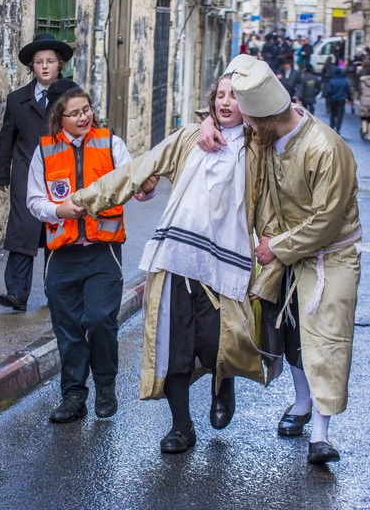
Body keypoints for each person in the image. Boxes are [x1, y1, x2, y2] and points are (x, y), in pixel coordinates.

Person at [59, 73, 285, 453]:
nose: (226, 103)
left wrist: (274, 240)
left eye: (235, 97)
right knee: (173, 345)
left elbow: (271, 196)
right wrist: (84, 200)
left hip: (225, 267)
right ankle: (182, 427)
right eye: (221, 96)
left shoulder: (259, 147)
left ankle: (222, 383)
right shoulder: (188, 138)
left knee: (220, 342)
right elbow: (139, 169)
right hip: (176, 259)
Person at [197, 54, 361, 465]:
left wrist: (277, 248)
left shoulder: (328, 148)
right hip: (285, 256)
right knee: (291, 341)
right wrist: (207, 122)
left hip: (330, 257)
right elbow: (228, 125)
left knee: (323, 341)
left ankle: (320, 437)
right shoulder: (269, 134)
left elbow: (327, 220)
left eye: (253, 122)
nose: (248, 128)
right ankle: (302, 405)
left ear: (268, 118)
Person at [26, 80, 157, 423]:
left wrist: (147, 189)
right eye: (75, 113)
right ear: (60, 118)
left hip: (103, 251)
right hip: (62, 254)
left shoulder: (111, 144)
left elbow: (135, 187)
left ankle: (105, 388)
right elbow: (34, 200)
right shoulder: (44, 152)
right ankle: (73, 395)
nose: (84, 117)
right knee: (67, 327)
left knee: (100, 320)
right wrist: (59, 211)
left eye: (86, 110)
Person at [0, 33, 73, 312]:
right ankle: (16, 292)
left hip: (60, 176)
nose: (45, 66)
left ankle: (56, 290)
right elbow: (7, 139)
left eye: (51, 61)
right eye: (39, 62)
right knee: (22, 231)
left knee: (57, 230)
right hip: (26, 175)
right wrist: (1, 175)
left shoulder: (69, 98)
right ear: (32, 67)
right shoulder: (17, 100)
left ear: (60, 64)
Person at [327, 66, 352, 134]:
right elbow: (348, 91)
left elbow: (329, 91)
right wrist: (349, 98)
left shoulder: (332, 81)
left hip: (333, 99)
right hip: (341, 99)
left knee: (332, 114)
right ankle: (338, 128)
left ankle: (332, 126)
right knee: (340, 115)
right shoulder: (344, 81)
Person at [358, 68, 370, 139]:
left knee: (364, 117)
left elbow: (360, 92)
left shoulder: (363, 82)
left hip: (364, 101)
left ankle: (364, 129)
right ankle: (369, 136)